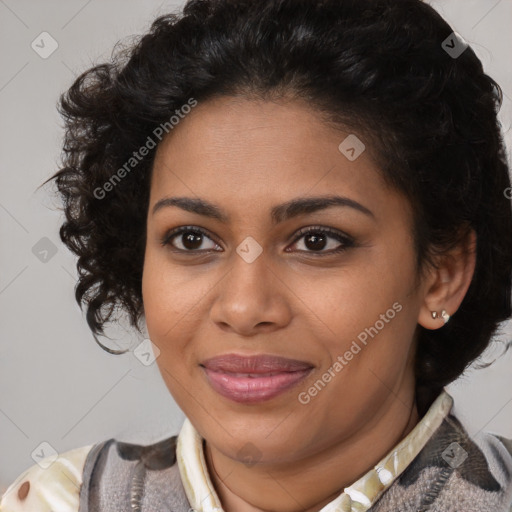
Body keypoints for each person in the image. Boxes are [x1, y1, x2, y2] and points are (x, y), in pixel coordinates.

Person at [2, 0, 512, 510]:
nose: (244, 309)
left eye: (317, 241)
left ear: (442, 273)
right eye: (192, 239)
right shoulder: (57, 500)